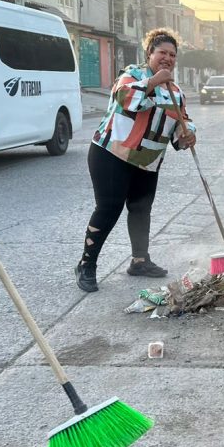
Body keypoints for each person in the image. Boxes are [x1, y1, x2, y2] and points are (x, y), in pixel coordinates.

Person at [75, 28, 197, 291]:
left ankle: (140, 261)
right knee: (109, 208)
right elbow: (126, 99)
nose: (167, 58)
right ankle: (87, 264)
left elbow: (180, 123)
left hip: (147, 162)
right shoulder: (131, 75)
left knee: (141, 209)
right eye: (162, 52)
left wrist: (187, 135)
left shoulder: (176, 92)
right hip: (112, 155)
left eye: (172, 55)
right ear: (149, 53)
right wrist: (154, 81)